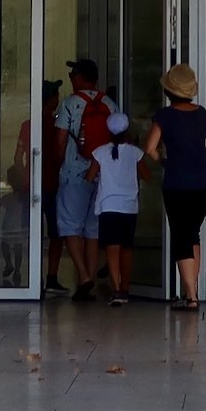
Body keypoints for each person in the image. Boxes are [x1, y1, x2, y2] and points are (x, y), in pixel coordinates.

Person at [144, 64, 206, 311]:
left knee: (182, 236)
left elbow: (150, 148)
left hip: (177, 184)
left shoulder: (164, 116)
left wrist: (164, 161)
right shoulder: (202, 114)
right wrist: (200, 155)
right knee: (192, 233)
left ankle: (190, 297)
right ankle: (193, 290)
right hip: (204, 183)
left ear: (168, 91)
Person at [50, 58, 113, 301]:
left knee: (70, 225)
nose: (70, 78)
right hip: (102, 175)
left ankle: (84, 276)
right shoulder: (110, 104)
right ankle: (90, 282)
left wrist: (57, 164)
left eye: (72, 74)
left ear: (81, 77)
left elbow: (59, 141)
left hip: (73, 173)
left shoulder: (69, 104)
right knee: (92, 230)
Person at [89, 111, 145, 305]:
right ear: (127, 130)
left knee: (112, 249)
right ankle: (126, 287)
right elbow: (146, 175)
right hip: (129, 207)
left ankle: (117, 289)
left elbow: (90, 176)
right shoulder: (135, 152)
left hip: (109, 207)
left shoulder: (100, 152)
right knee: (127, 249)